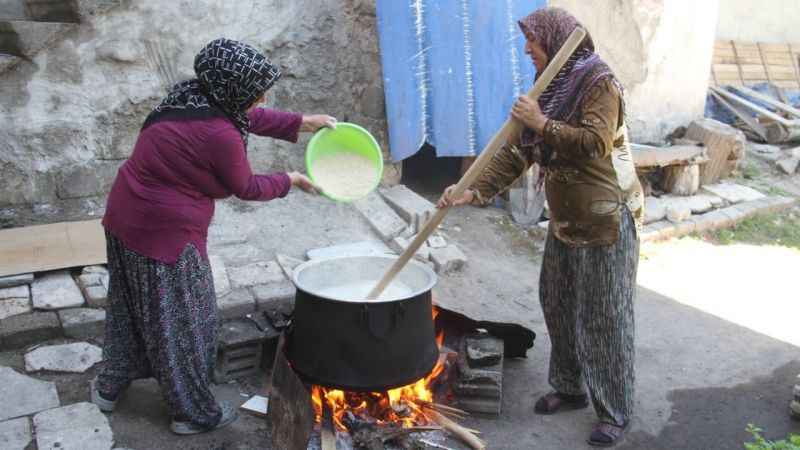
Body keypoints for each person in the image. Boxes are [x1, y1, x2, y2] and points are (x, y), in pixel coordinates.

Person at [92, 37, 336, 435]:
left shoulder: (191, 96)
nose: (262, 98)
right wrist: (290, 179)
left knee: (131, 308)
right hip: (165, 235)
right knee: (184, 323)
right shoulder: (220, 133)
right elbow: (246, 186)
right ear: (232, 89)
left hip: (125, 216)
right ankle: (190, 414)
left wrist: (303, 122)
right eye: (257, 91)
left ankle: (109, 386)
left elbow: (246, 115)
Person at [438, 8, 643, 447]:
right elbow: (518, 153)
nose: (527, 48)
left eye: (533, 40)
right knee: (558, 304)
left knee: (604, 318)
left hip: (604, 221)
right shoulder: (550, 88)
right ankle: (569, 388)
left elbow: (595, 143)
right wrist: (474, 190)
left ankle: (614, 410)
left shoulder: (599, 82)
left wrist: (541, 123)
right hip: (566, 221)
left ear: (555, 40)